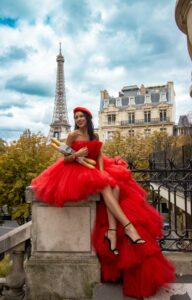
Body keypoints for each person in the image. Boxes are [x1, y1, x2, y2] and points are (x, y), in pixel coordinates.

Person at [31, 107, 175, 298]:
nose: (79, 119)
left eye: (81, 116)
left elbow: (98, 155)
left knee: (113, 185)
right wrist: (77, 154)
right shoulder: (72, 135)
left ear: (88, 118)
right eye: (76, 117)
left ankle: (113, 233)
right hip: (76, 170)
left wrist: (102, 172)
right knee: (108, 188)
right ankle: (128, 227)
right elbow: (65, 159)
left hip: (93, 169)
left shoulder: (95, 134)